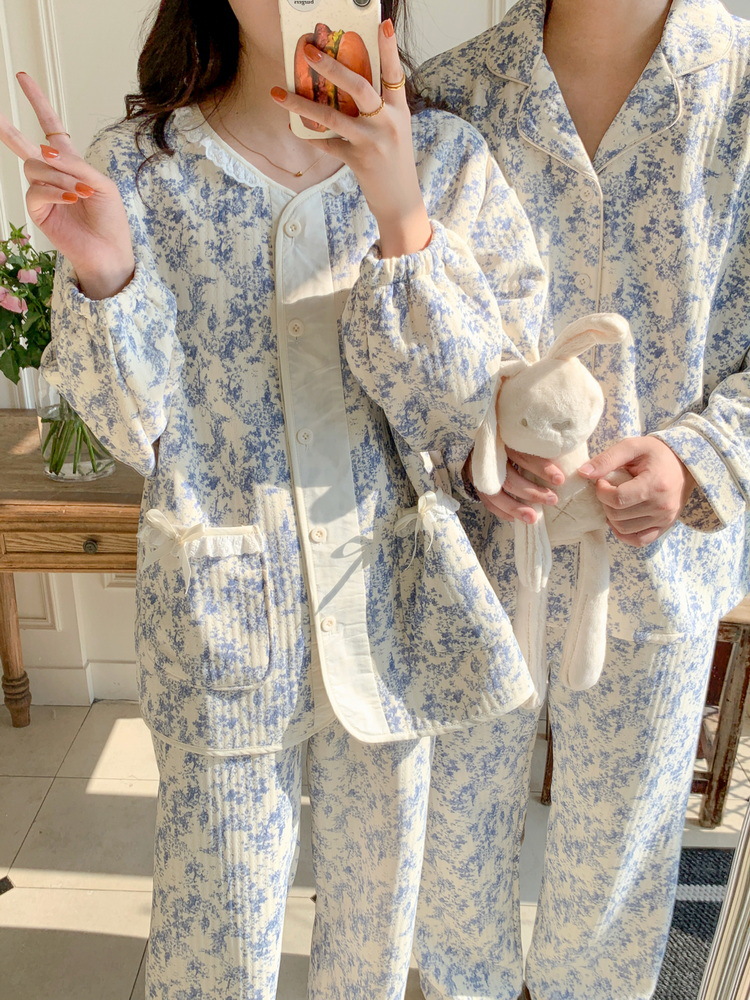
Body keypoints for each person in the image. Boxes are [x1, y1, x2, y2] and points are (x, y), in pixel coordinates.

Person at [0, 1, 550, 998]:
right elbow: (132, 431)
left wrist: (402, 215)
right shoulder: (141, 169)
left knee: (373, 945)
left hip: (390, 614)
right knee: (217, 946)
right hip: (222, 623)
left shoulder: (445, 158)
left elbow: (469, 421)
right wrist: (109, 273)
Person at [415, 1, 750, 999]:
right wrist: (468, 433)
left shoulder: (741, 90)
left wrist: (696, 458)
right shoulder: (455, 94)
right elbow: (404, 322)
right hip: (475, 563)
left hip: (657, 569)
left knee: (616, 879)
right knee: (448, 850)